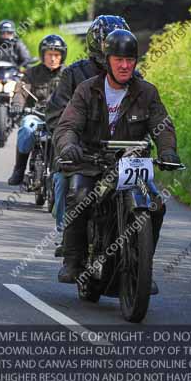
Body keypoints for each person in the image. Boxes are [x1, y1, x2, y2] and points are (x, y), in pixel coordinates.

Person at [54, 28, 181, 285]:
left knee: (156, 204)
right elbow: (67, 126)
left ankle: (143, 265)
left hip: (130, 162)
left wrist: (168, 151)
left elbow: (162, 125)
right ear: (107, 60)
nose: (124, 66)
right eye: (118, 60)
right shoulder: (86, 90)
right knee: (79, 196)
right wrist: (69, 146)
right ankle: (73, 259)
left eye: (130, 60)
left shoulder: (147, 92)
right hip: (91, 161)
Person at [45, 15, 131, 250]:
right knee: (69, 188)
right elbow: (56, 115)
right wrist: (70, 144)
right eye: (110, 45)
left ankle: (141, 261)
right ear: (98, 45)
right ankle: (72, 253)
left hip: (121, 155)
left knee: (153, 200)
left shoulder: (133, 78)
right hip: (82, 153)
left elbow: (151, 116)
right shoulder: (74, 74)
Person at [7, 34, 67, 186]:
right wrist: (17, 104)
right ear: (42, 55)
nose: (53, 59)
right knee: (26, 128)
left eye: (56, 55)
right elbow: (21, 90)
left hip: (61, 118)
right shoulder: (31, 73)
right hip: (36, 115)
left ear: (62, 56)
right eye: (49, 55)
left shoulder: (70, 74)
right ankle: (19, 170)